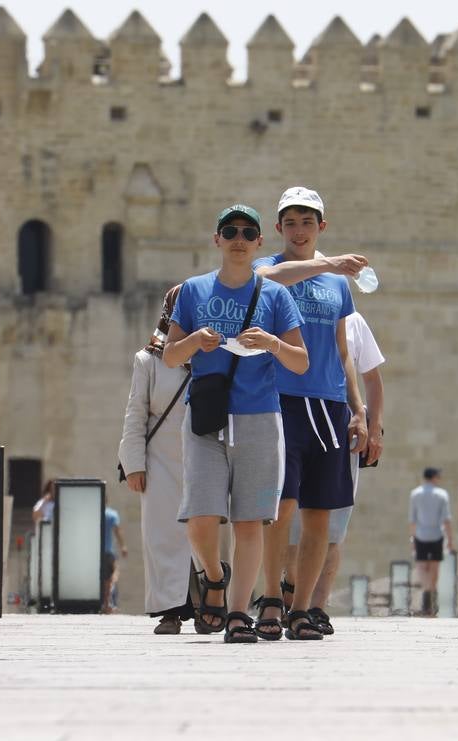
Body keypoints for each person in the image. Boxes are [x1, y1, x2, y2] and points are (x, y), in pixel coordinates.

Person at [163, 204, 308, 644]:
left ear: (260, 242)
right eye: (231, 231)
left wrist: (270, 342)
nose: (239, 238)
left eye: (248, 232)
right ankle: (213, 576)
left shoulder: (275, 296)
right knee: (200, 517)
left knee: (249, 521)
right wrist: (193, 340)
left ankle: (238, 613)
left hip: (260, 416)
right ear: (217, 239)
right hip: (206, 417)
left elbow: (300, 362)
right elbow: (170, 356)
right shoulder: (193, 290)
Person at [252, 187, 370, 641]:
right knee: (280, 507)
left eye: (308, 222)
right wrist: (328, 262)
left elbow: (344, 352)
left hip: (329, 404)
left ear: (322, 225)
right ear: (279, 228)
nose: (299, 230)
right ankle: (270, 599)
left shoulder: (338, 285)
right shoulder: (267, 269)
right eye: (291, 222)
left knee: (319, 512)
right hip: (279, 400)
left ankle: (301, 606)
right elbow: (272, 279)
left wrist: (358, 411)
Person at [283, 309, 386, 631]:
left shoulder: (352, 321)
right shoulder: (285, 314)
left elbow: (371, 377)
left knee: (334, 523)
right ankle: (289, 594)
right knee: (289, 520)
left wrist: (375, 425)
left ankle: (317, 606)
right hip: (294, 424)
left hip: (342, 430)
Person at [119, 285, 198, 634]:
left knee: (207, 534)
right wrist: (133, 463)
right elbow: (136, 414)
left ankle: (210, 606)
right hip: (161, 461)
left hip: (204, 455)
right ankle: (170, 612)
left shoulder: (215, 355)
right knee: (163, 536)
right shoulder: (148, 360)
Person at [409, 467, 454, 616]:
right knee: (434, 567)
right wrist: (450, 540)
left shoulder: (415, 494)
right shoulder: (442, 494)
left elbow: (413, 518)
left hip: (421, 534)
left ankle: (426, 593)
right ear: (434, 477)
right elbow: (446, 519)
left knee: (422, 566)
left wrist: (412, 538)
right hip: (436, 534)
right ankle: (432, 595)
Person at [101, 506, 127, 614]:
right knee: (112, 575)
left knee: (103, 579)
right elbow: (117, 530)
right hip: (108, 551)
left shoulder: (93, 513)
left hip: (95, 552)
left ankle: (105, 604)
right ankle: (109, 604)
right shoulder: (112, 514)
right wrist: (123, 546)